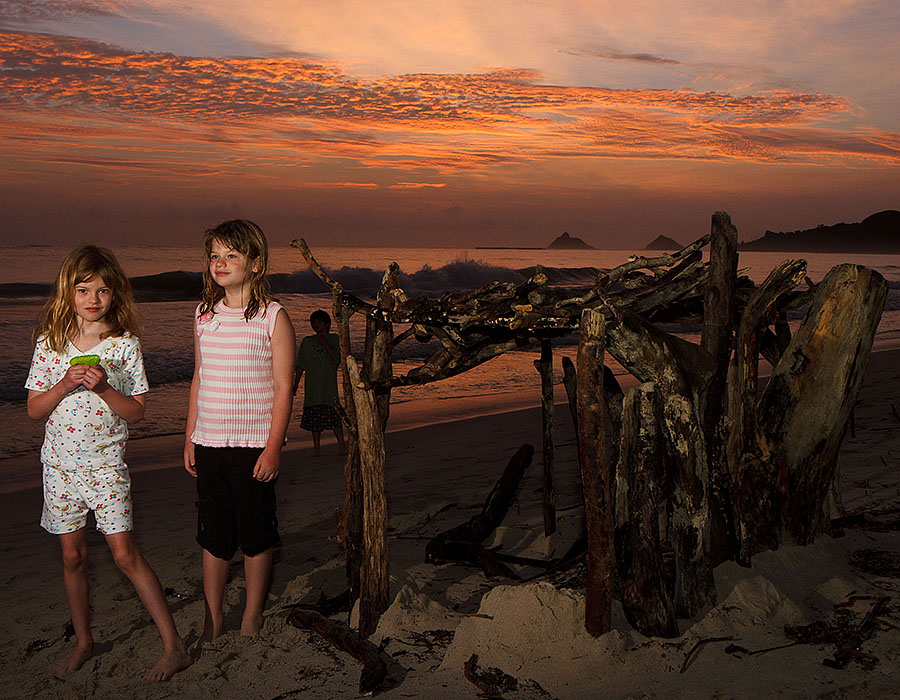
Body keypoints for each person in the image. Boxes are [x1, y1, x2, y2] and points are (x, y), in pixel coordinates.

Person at [25, 245, 192, 681]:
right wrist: (64, 383)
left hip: (105, 466)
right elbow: (33, 410)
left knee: (123, 554)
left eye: (102, 290)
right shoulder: (50, 343)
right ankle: (85, 641)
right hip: (59, 467)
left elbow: (137, 412)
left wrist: (102, 389)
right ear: (69, 292)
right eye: (83, 290)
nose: (93, 299)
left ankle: (174, 647)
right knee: (72, 557)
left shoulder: (125, 346)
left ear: (115, 294)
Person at [183, 219, 295, 642]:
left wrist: (273, 449)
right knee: (213, 535)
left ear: (256, 262)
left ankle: (251, 613)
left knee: (255, 534)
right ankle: (212, 616)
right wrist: (189, 435)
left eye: (232, 255)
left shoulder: (273, 316)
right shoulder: (203, 314)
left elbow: (285, 386)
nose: (221, 263)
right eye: (215, 255)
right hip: (209, 442)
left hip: (253, 446)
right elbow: (199, 376)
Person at [294, 310, 346, 457]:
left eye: (318, 322)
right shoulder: (307, 342)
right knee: (314, 418)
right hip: (312, 387)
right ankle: (317, 449)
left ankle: (342, 445)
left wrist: (324, 343)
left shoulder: (334, 338)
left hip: (329, 387)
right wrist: (295, 384)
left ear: (327, 324)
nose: (315, 325)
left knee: (334, 416)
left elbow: (337, 359)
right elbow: (301, 365)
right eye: (313, 322)